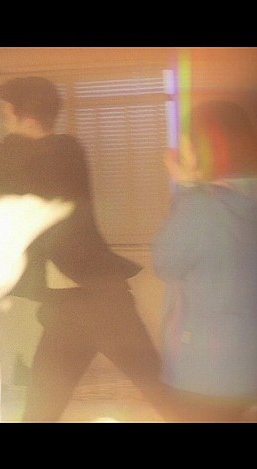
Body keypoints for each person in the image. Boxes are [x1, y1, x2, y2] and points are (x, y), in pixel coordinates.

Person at [0, 76, 173, 421]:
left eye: (7, 111)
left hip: (105, 303)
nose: (4, 118)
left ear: (25, 115)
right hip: (67, 310)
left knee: (162, 394)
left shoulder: (64, 152)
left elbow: (0, 158)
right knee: (39, 413)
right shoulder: (20, 163)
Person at [151, 100, 257, 422]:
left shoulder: (201, 208)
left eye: (185, 145)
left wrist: (186, 190)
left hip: (206, 370)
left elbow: (165, 263)